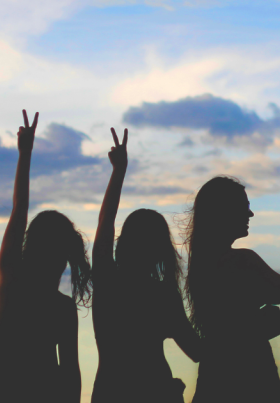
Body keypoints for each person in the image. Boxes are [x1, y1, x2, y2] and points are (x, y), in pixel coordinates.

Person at [0, 110, 91, 403]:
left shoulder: (13, 282)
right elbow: (71, 373)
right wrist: (25, 153)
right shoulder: (20, 284)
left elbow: (71, 371)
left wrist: (26, 152)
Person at [91, 128, 200, 403]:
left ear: (123, 243)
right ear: (161, 250)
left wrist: (119, 171)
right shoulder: (163, 295)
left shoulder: (108, 282)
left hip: (109, 392)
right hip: (157, 390)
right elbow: (198, 351)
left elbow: (104, 223)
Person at [185, 176, 280, 403]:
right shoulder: (243, 261)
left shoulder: (205, 266)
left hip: (214, 379)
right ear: (225, 211)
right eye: (244, 207)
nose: (251, 214)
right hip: (253, 378)